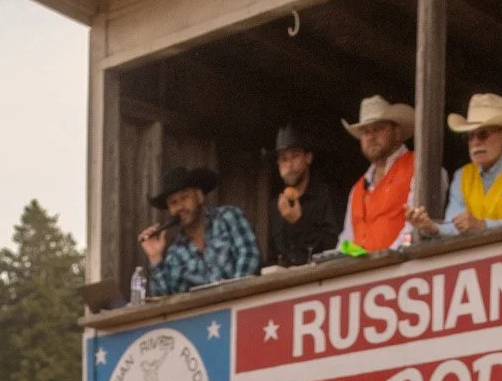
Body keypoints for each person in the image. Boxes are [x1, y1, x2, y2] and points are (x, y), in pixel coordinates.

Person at [406, 93, 502, 238]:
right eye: (470, 136)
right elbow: (454, 226)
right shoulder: (462, 176)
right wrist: (432, 228)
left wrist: (483, 226)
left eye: (483, 135)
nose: (475, 143)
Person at [138, 167, 259, 297]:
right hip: (206, 316)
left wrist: (233, 297)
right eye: (173, 203)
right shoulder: (175, 254)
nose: (180, 207)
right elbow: (164, 300)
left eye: (184, 198)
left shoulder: (228, 218)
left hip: (243, 306)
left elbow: (249, 255)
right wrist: (155, 258)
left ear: (199, 196)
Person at [339, 95, 416, 253]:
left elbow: (416, 229)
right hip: (365, 275)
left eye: (378, 128)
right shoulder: (357, 189)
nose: (371, 137)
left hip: (405, 269)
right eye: (365, 132)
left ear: (397, 132)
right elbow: (347, 241)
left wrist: (386, 261)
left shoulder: (419, 166)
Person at [265, 128, 342, 270]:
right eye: (283, 159)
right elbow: (272, 256)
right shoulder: (275, 205)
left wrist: (299, 223)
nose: (289, 164)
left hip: (323, 277)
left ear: (308, 158)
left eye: (295, 156)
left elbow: (338, 245)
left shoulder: (326, 195)